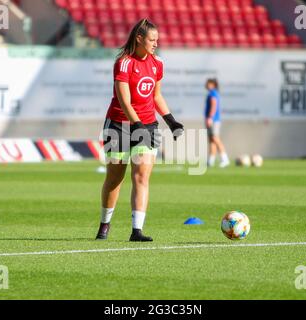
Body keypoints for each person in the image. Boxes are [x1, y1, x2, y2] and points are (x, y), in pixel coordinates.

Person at [96, 19, 184, 242]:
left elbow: (156, 96)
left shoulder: (157, 63)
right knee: (115, 178)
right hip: (118, 125)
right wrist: (137, 126)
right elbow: (124, 101)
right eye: (152, 39)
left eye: (157, 40)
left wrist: (171, 121)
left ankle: (137, 230)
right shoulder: (124, 63)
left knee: (142, 177)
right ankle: (105, 224)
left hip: (148, 125)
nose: (155, 44)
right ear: (139, 39)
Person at [205, 78, 229, 168]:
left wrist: (210, 117)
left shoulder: (213, 93)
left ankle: (225, 159)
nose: (206, 85)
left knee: (215, 138)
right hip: (212, 119)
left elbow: (214, 105)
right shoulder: (211, 93)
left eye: (208, 83)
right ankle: (210, 161)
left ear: (213, 84)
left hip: (214, 120)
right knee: (211, 139)